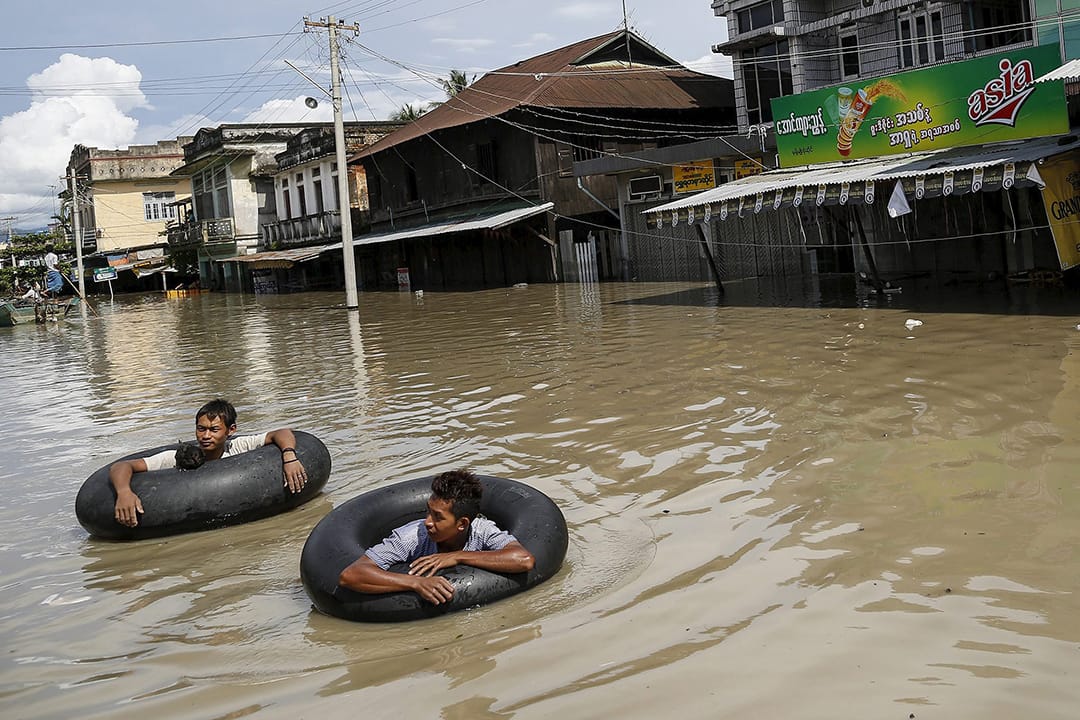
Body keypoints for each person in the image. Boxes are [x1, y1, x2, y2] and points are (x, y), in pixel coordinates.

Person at [338, 469, 535, 605]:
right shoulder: (411, 537)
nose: (427, 522)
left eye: (438, 517)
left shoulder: (482, 531)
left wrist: (457, 557)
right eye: (428, 512)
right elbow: (351, 575)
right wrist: (415, 583)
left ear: (462, 524)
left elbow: (523, 560)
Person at [108, 399, 308, 527]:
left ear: (230, 430)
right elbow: (122, 466)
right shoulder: (180, 457)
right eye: (201, 429)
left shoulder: (237, 447)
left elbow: (281, 433)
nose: (205, 436)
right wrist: (124, 492)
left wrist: (289, 456)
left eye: (214, 430)